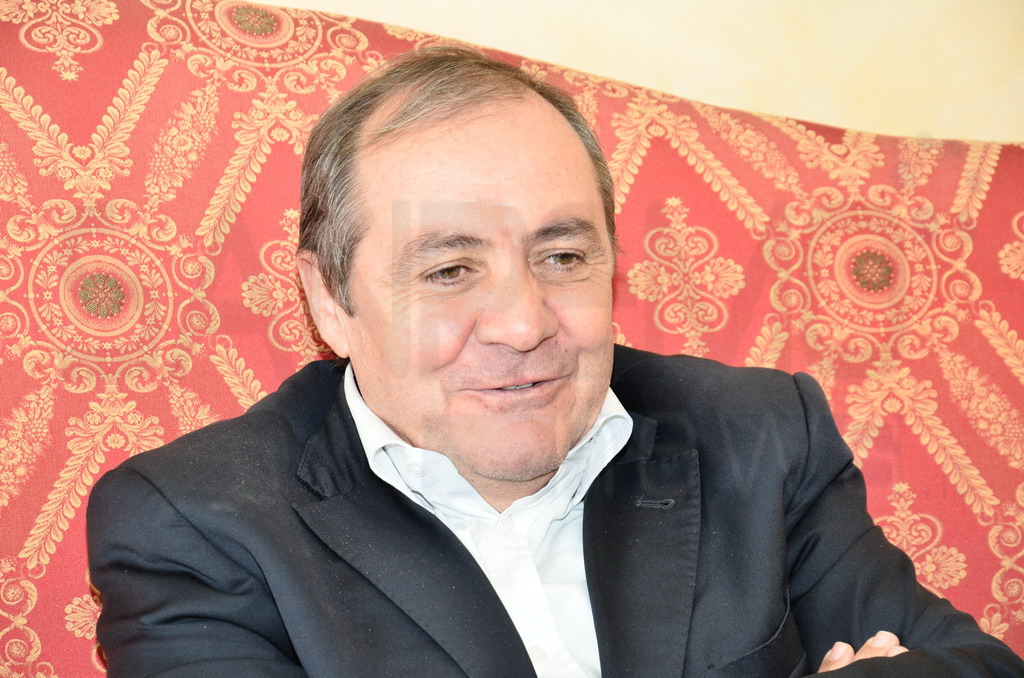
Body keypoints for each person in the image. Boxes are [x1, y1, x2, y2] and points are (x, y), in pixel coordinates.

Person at [86, 47, 1024, 677]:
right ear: (331, 299)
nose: (524, 323)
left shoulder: (760, 439)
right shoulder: (195, 526)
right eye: (449, 271)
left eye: (563, 256)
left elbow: (973, 666)